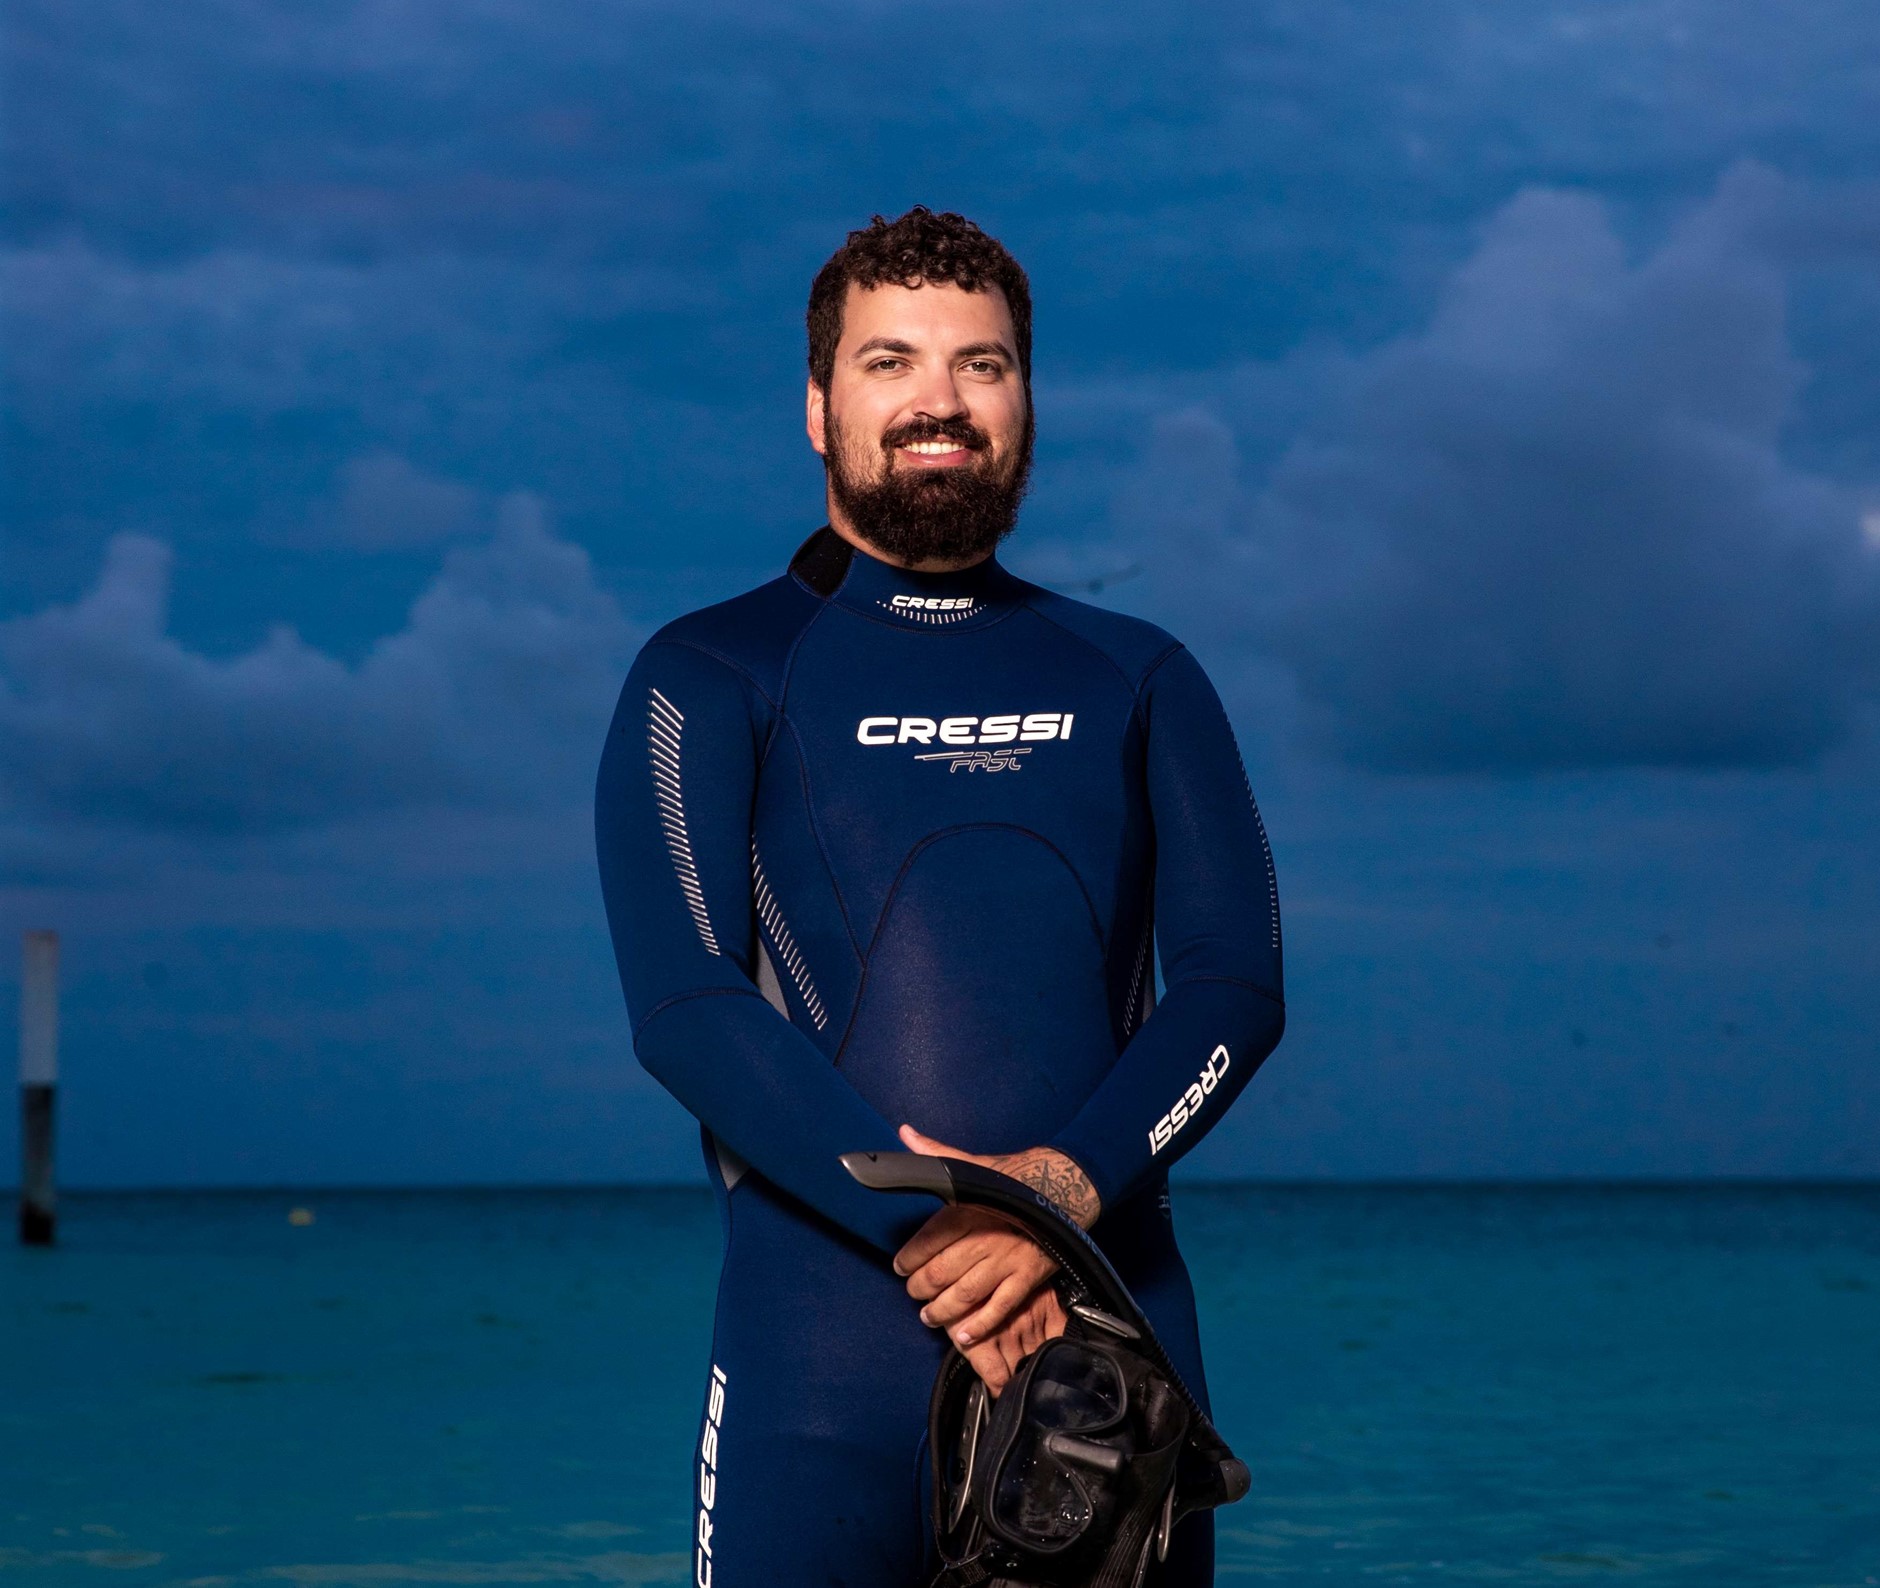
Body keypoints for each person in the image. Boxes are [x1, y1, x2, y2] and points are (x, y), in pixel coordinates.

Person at [594, 207, 1284, 1587]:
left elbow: (1233, 990)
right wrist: (939, 1226)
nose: (939, 402)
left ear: (1026, 400)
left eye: (983, 365)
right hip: (819, 1366)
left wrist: (1057, 1196)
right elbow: (685, 1005)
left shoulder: (1139, 677)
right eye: (890, 361)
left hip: (1098, 1350)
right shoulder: (713, 673)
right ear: (817, 404)